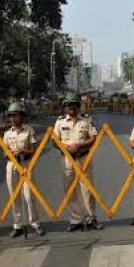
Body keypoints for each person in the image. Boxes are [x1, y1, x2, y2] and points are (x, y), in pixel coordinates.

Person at [54, 92, 101, 231]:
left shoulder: (86, 120)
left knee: (87, 189)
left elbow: (93, 138)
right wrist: (65, 147)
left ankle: (91, 218)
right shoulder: (60, 121)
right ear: (65, 107)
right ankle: (75, 220)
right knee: (70, 189)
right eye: (68, 105)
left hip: (83, 158)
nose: (71, 108)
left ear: (78, 106)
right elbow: (54, 141)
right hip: (67, 159)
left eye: (74, 105)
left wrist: (79, 145)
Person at [3, 102, 44, 237]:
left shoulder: (29, 131)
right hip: (12, 165)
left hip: (26, 164)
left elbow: (34, 150)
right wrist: (11, 154)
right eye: (12, 116)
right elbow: (4, 153)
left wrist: (23, 151)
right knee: (14, 195)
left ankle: (35, 223)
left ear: (22, 117)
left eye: (17, 116)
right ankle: (18, 225)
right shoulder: (7, 134)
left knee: (29, 195)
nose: (14, 119)